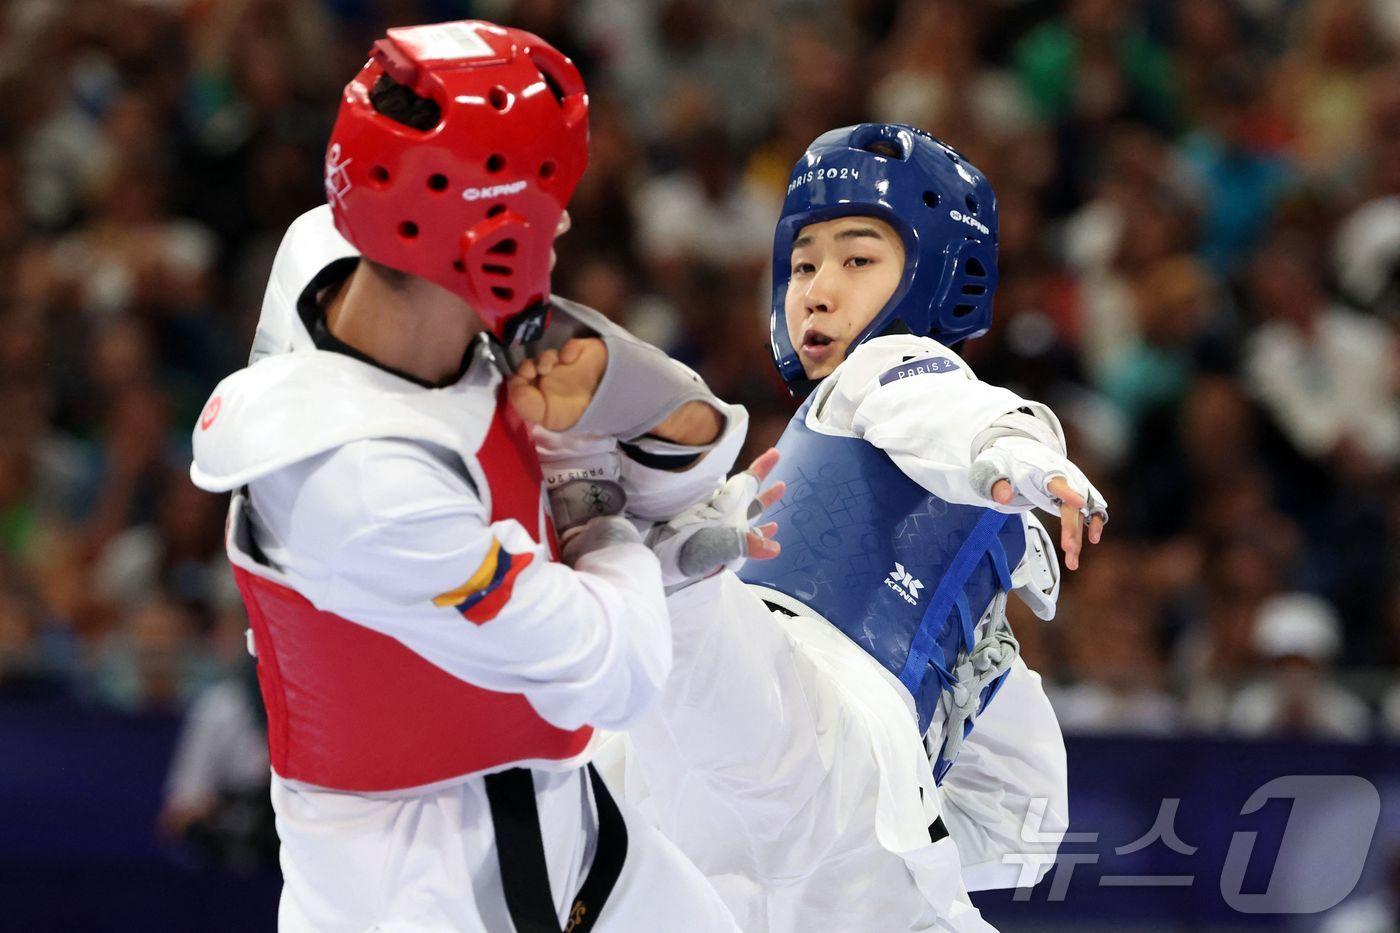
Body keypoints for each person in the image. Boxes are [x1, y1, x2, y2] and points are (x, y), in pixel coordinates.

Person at [189, 21, 754, 932]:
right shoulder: (363, 487)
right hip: (425, 876)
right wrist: (589, 495)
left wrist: (616, 381)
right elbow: (619, 672)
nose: (565, 220)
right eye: (549, 199)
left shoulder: (345, 262)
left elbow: (696, 452)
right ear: (490, 234)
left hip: (557, 808)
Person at [588, 124, 1108, 932]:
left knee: (695, 666)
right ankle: (664, 570)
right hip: (805, 808)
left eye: (857, 258)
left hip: (805, 784)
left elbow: (945, 407)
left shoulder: (890, 370)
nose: (817, 290)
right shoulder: (865, 412)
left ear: (935, 272)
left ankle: (657, 562)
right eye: (802, 264)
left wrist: (1023, 457)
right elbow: (1027, 830)